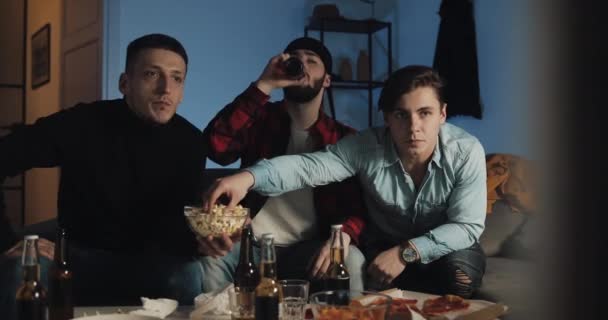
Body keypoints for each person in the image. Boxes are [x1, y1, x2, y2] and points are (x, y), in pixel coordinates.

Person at [203, 65, 487, 298]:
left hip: (444, 246)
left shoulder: (465, 151)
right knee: (352, 271)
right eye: (402, 114)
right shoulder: (365, 147)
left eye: (425, 113)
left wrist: (406, 253)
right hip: (381, 244)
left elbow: (467, 225)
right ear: (387, 118)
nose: (414, 127)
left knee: (460, 277)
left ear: (442, 114)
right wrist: (248, 177)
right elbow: (309, 166)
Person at [0, 33, 208, 318]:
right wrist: (8, 240)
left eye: (177, 79)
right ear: (125, 83)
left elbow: (180, 228)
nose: (165, 89)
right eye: (151, 74)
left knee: (188, 273)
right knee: (21, 269)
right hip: (74, 259)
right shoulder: (83, 123)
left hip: (150, 264)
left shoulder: (191, 142)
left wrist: (205, 240)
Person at [199, 37, 368, 292]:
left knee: (351, 259)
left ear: (327, 80)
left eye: (312, 60)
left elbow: (359, 207)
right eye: (294, 59)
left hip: (308, 250)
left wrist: (343, 235)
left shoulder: (344, 138)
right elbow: (217, 147)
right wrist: (264, 84)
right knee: (208, 260)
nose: (302, 63)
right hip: (248, 244)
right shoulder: (260, 120)